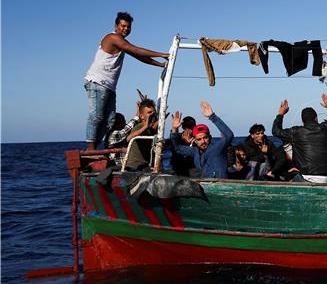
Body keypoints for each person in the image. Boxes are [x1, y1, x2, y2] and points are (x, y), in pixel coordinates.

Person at [84, 12, 169, 150]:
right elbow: (135, 49)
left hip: (109, 86)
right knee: (97, 117)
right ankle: (90, 149)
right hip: (98, 82)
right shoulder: (112, 37)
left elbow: (139, 56)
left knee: (110, 121)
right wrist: (162, 54)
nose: (126, 29)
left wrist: (161, 64)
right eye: (123, 26)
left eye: (128, 27)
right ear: (116, 26)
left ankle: (98, 146)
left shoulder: (123, 43)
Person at [271, 93, 327, 183]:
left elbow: (276, 131)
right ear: (316, 118)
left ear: (303, 121)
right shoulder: (326, 127)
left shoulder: (296, 132)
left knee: (290, 177)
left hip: (306, 176)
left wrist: (280, 114)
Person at [170, 101, 234, 178]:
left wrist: (212, 116)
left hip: (221, 185)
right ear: (195, 141)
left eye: (205, 138)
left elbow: (229, 135)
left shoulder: (218, 148)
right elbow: (178, 148)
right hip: (206, 185)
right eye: (199, 139)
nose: (203, 141)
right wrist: (174, 129)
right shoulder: (195, 152)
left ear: (210, 137)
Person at [107, 98, 158, 166]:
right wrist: (138, 114)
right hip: (118, 165)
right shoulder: (114, 135)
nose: (124, 123)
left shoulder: (142, 128)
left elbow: (149, 127)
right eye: (122, 122)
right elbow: (129, 131)